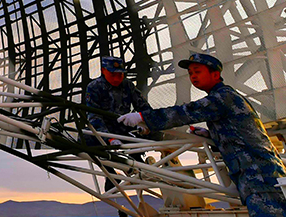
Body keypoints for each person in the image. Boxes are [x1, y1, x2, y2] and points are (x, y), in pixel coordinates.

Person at [118, 53, 286, 217]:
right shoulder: (225, 97)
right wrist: (212, 135)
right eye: (190, 73)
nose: (193, 77)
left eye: (197, 72)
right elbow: (239, 133)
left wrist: (143, 118)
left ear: (215, 74)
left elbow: (186, 112)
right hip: (258, 176)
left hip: (260, 178)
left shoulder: (222, 98)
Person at [83, 56, 151, 146]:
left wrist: (144, 122)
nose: (116, 79)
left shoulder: (128, 85)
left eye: (120, 75)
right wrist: (109, 138)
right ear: (103, 71)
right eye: (112, 75)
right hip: (104, 130)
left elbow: (143, 107)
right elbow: (94, 117)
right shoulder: (94, 87)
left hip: (125, 129)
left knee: (155, 129)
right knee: (86, 136)